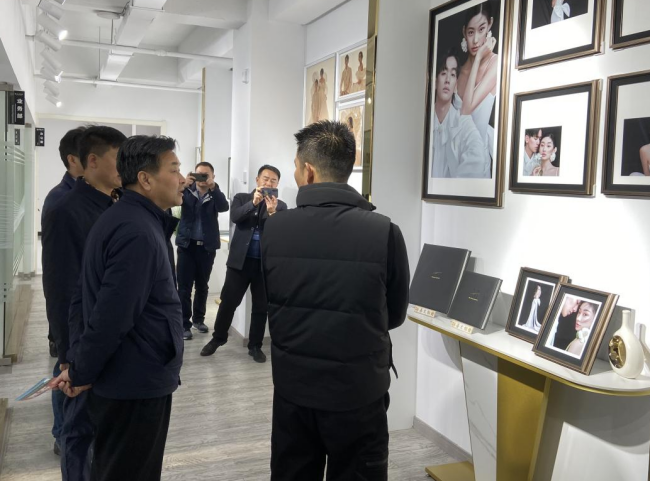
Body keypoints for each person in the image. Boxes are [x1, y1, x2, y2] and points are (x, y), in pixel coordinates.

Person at [262, 120, 410, 480]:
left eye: (295, 167)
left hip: (294, 388)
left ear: (308, 171)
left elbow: (273, 300)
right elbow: (394, 314)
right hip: (359, 390)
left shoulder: (275, 228)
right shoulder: (384, 232)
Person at [49, 135, 185, 481]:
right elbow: (111, 316)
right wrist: (80, 370)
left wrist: (80, 365)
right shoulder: (137, 231)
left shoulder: (122, 217)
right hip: (135, 381)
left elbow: (84, 299)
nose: (182, 179)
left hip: (128, 375)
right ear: (145, 179)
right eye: (174, 169)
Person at [42, 126, 126, 475]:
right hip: (81, 340)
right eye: (118, 159)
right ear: (92, 161)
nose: (125, 167)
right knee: (78, 435)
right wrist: (67, 354)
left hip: (108, 339)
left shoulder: (115, 203)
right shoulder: (66, 209)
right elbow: (60, 286)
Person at [200, 165, 287, 362]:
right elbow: (235, 217)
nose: (269, 183)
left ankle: (255, 346)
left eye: (273, 181)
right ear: (257, 180)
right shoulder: (242, 198)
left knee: (260, 307)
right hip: (239, 262)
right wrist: (254, 203)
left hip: (264, 265)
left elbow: (281, 233)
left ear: (277, 184)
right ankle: (218, 338)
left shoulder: (280, 206)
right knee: (228, 302)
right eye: (265, 179)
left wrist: (272, 214)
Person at [42, 127, 86, 360]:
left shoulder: (93, 197)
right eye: (91, 156)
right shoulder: (62, 202)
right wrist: (63, 340)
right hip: (74, 317)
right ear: (73, 159)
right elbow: (58, 278)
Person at [175, 162, 229, 340]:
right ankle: (184, 324)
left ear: (212, 177)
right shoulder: (186, 191)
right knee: (184, 287)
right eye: (198, 174)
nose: (201, 178)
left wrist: (214, 188)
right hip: (187, 246)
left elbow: (223, 207)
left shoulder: (215, 194)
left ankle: (199, 320)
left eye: (205, 175)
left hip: (206, 248)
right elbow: (173, 199)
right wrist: (183, 185)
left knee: (202, 286)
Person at [430, 50, 488, 178]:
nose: (447, 80)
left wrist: (454, 186)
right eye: (443, 73)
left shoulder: (462, 122)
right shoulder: (424, 122)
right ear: (435, 81)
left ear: (456, 85)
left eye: (452, 75)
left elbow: (477, 157)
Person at [458, 2, 498, 159]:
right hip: (453, 161)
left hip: (478, 162)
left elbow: (466, 110)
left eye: (481, 29)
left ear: (490, 24)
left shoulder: (495, 63)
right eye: (470, 32)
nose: (475, 40)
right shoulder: (458, 71)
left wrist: (479, 58)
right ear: (464, 32)